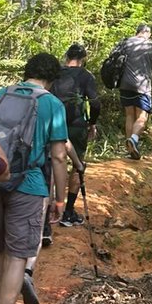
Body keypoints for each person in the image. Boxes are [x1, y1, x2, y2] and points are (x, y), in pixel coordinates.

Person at [0, 53, 68, 304]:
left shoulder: (1, 94)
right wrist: (60, 199)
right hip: (28, 185)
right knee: (18, 256)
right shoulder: (51, 104)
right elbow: (58, 156)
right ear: (52, 78)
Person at [52, 43, 101, 228]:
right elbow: (95, 103)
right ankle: (68, 212)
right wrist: (92, 123)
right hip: (76, 125)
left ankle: (50, 209)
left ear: (67, 57)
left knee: (51, 162)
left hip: (54, 123)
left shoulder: (55, 73)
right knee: (77, 164)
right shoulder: (86, 76)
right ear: (83, 59)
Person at [114, 23, 152, 159]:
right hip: (143, 86)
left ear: (137, 32)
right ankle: (134, 139)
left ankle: (130, 150)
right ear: (149, 34)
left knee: (129, 115)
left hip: (124, 85)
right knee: (142, 116)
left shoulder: (125, 43)